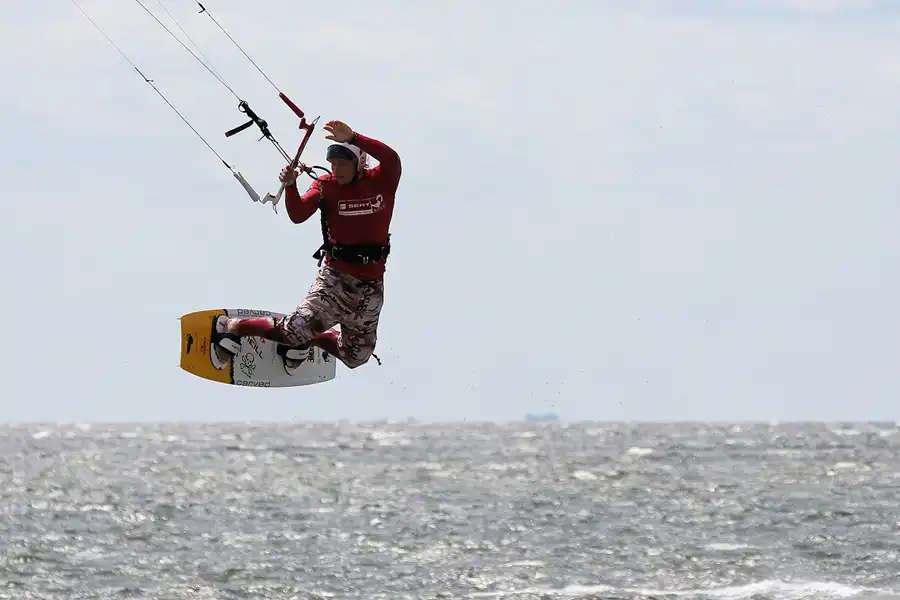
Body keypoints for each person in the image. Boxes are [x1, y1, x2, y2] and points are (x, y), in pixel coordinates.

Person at [209, 119, 401, 373]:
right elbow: (298, 214)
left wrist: (354, 137)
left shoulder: (382, 181)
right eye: (333, 164)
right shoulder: (325, 186)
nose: (336, 169)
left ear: (359, 163)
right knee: (292, 333)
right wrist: (291, 186)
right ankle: (234, 327)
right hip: (335, 280)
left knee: (356, 357)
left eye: (343, 164)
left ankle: (313, 336)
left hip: (370, 288)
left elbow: (392, 159)